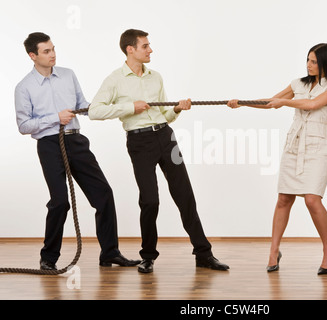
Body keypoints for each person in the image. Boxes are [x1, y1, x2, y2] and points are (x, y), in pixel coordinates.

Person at [88, 29, 229, 273]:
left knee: (185, 196)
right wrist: (130, 107)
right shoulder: (115, 80)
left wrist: (176, 109)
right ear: (130, 49)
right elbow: (94, 111)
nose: (150, 50)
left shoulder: (156, 77)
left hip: (166, 137)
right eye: (145, 46)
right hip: (139, 143)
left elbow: (165, 116)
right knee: (150, 200)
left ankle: (203, 254)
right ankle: (148, 256)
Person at [14, 32, 140, 270]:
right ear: (33, 56)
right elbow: (23, 125)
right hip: (50, 145)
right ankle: (48, 259)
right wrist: (55, 118)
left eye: (53, 49)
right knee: (60, 202)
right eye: (46, 51)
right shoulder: (24, 87)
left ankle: (110, 253)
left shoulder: (68, 75)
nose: (53, 55)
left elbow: (84, 105)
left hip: (76, 141)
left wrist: (118, 108)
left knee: (104, 194)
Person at [228, 43, 327, 274]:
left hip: (317, 147)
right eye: (308, 60)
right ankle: (273, 250)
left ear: (325, 63)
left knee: (312, 200)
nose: (309, 65)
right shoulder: (298, 83)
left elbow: (311, 104)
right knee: (283, 199)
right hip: (294, 145)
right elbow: (271, 102)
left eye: (314, 61)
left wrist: (286, 102)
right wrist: (242, 102)